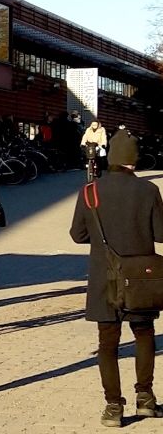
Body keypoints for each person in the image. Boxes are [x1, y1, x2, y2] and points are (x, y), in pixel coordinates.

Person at [70, 133, 163, 427]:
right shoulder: (149, 190)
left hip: (104, 276)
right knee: (144, 333)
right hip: (141, 277)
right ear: (134, 160)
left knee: (108, 342)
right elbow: (161, 234)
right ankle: (145, 397)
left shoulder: (90, 192)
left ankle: (113, 406)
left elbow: (77, 235)